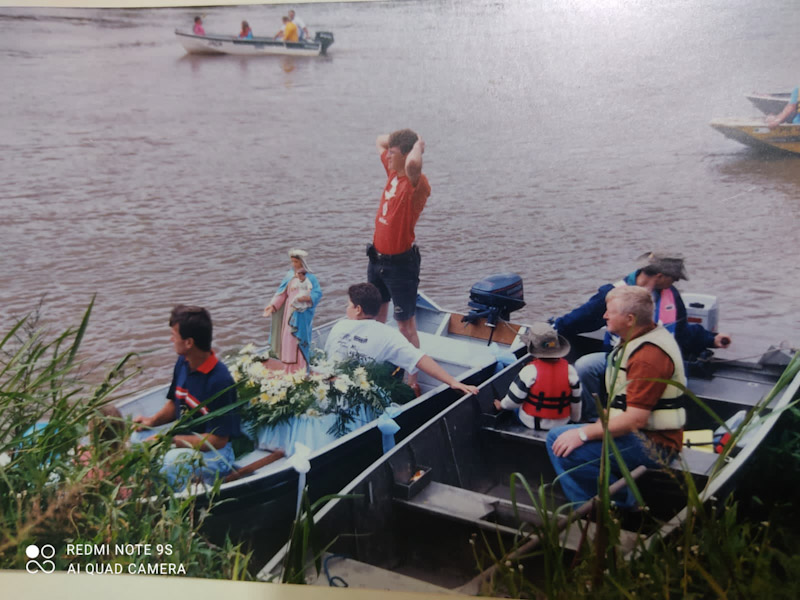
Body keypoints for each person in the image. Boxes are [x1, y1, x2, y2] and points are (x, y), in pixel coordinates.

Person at [547, 286, 688, 509]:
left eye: (610, 312)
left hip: (656, 444)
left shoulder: (647, 358)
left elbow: (635, 420)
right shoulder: (640, 338)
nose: (604, 316)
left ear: (629, 319)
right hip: (643, 433)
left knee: (559, 441)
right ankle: (614, 500)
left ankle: (601, 511)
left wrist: (583, 434)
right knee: (564, 437)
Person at [552, 251, 731, 421]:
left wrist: (711, 339)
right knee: (584, 366)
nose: (676, 281)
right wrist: (554, 328)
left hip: (657, 363)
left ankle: (642, 422)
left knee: (679, 381)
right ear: (660, 276)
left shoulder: (672, 295)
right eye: (674, 277)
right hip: (618, 360)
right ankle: (595, 417)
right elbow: (582, 318)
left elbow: (682, 332)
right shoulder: (615, 293)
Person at [133, 305, 240, 491]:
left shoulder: (220, 380)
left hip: (217, 455)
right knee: (137, 437)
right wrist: (150, 422)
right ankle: (152, 489)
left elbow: (218, 441)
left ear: (189, 342)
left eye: (174, 335)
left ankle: (177, 505)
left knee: (172, 460)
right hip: (187, 442)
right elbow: (175, 405)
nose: (171, 339)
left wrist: (172, 440)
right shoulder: (183, 362)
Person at [324, 283, 479, 397]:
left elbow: (327, 361)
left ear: (358, 310)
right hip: (361, 395)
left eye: (348, 305)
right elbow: (419, 358)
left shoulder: (340, 326)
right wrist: (453, 382)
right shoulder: (387, 335)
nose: (346, 309)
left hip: (329, 388)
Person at [368, 129, 431, 391]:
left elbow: (414, 163)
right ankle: (379, 362)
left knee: (406, 326)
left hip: (401, 265)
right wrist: (398, 144)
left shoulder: (416, 183)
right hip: (377, 260)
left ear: (405, 156)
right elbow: (379, 140)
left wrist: (417, 145)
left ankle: (412, 378)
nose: (387, 157)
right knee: (375, 317)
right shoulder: (393, 173)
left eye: (393, 154)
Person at [493, 322, 582, 430]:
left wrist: (501, 405)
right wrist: (575, 420)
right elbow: (576, 401)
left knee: (514, 408)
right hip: (562, 423)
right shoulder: (570, 370)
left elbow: (513, 401)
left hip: (533, 423)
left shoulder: (529, 370)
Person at [263, 249, 323, 373]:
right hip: (289, 314)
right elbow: (282, 294)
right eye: (292, 262)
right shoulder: (290, 276)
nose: (294, 264)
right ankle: (288, 369)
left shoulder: (310, 277)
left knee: (299, 340)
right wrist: (272, 305)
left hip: (301, 314)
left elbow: (317, 293)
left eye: (296, 262)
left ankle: (301, 369)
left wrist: (308, 298)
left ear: (302, 262)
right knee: (288, 339)